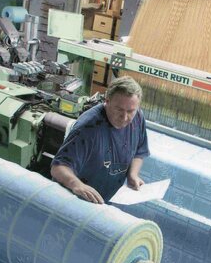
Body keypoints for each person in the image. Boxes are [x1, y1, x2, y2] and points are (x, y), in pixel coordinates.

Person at [50, 76, 150, 204]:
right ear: (107, 101)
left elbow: (139, 152)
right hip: (75, 202)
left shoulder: (138, 118)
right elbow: (58, 168)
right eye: (119, 109)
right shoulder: (88, 128)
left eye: (131, 111)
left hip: (104, 200)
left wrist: (133, 175)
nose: (125, 117)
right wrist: (77, 185)